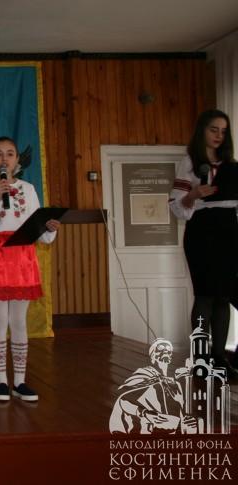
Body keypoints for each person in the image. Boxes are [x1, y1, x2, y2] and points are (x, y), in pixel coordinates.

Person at [0, 136, 61, 402]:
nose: (4, 158)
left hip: (22, 257)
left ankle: (20, 381)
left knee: (19, 321)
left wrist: (49, 228)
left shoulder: (28, 189)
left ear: (17, 160)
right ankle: (1, 381)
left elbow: (41, 234)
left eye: (10, 153)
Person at [168, 109, 238, 380]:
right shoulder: (189, 162)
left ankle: (220, 359)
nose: (219, 135)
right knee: (205, 295)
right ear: (202, 131)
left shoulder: (231, 165)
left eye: (223, 131)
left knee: (224, 296)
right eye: (213, 130)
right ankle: (200, 359)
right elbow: (176, 206)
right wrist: (194, 194)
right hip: (202, 231)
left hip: (229, 230)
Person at [109, 339, 197, 434]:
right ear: (153, 356)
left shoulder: (176, 385)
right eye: (161, 349)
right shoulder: (144, 375)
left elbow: (180, 412)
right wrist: (144, 413)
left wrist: (186, 423)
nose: (165, 351)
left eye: (168, 349)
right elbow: (123, 399)